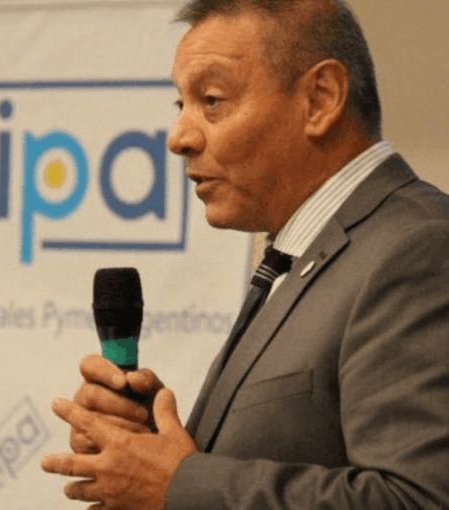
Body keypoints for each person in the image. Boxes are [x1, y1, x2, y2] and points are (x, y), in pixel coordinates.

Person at [41, 0, 449, 508]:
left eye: (211, 100)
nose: (179, 137)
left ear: (321, 98)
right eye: (181, 104)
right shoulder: (303, 254)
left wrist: (179, 485)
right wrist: (149, 449)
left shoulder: (419, 249)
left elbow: (419, 498)